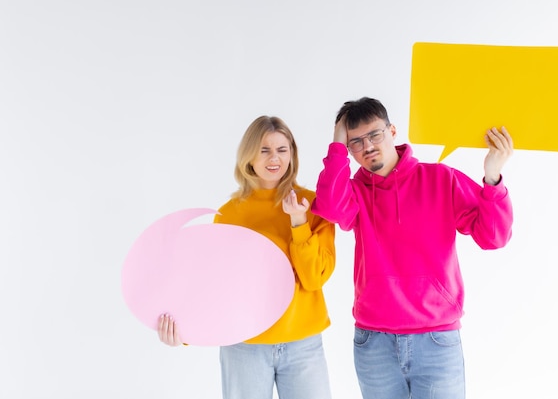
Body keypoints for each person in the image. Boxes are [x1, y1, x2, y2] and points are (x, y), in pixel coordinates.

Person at [311, 97, 513, 399]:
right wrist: (337, 145)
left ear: (392, 131)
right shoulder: (354, 192)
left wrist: (492, 177)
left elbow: (493, 236)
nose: (367, 147)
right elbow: (329, 206)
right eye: (356, 142)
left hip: (436, 339)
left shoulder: (440, 179)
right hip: (374, 343)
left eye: (375, 135)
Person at [158, 115, 336, 399]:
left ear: (292, 154)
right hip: (243, 346)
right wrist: (187, 332)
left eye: (282, 149)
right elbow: (215, 286)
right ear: (249, 156)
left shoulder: (312, 205)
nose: (274, 158)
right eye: (264, 150)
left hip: (303, 344)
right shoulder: (229, 213)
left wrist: (299, 223)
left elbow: (314, 279)